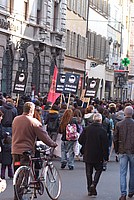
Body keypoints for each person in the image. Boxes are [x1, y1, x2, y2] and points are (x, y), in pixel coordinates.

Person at [78, 113, 109, 197]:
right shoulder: (102, 131)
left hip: (88, 152)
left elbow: (80, 140)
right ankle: (94, 184)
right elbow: (105, 145)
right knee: (99, 170)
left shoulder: (87, 129)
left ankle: (89, 188)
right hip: (98, 154)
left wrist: (85, 144)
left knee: (88, 172)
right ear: (100, 120)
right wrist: (106, 156)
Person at [113, 106, 134, 200]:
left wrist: (117, 150)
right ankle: (131, 191)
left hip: (122, 150)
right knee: (133, 172)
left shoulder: (119, 124)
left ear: (124, 114)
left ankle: (123, 193)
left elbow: (115, 138)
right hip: (133, 150)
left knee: (123, 173)